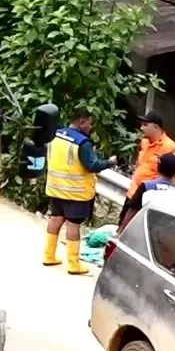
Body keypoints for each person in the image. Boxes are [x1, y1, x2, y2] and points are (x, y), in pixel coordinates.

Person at [43, 111, 113, 275]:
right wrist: (110, 162)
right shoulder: (83, 143)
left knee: (55, 219)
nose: (91, 127)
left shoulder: (56, 135)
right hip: (76, 192)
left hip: (56, 187)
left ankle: (49, 255)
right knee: (73, 225)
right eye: (89, 123)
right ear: (82, 122)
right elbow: (92, 166)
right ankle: (74, 265)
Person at [121, 111, 175, 224]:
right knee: (122, 224)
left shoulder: (171, 148)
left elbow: (173, 176)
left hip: (148, 197)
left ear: (156, 126)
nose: (141, 128)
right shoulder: (144, 143)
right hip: (133, 193)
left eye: (145, 125)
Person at [120, 153, 175, 230]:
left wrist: (121, 231)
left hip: (139, 229)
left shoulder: (146, 186)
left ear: (158, 166)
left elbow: (132, 212)